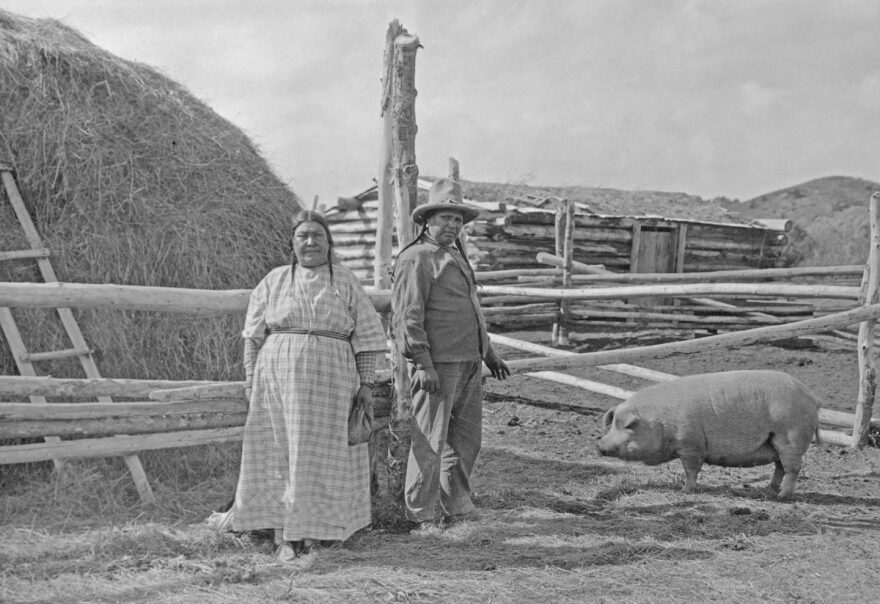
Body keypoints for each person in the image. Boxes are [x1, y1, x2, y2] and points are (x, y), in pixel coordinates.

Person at [232, 209, 387, 561]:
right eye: (303, 236)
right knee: (278, 452)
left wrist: (365, 383)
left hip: (332, 384)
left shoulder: (345, 281)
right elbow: (253, 337)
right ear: (292, 243)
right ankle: (282, 535)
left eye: (318, 235)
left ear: (329, 243)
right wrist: (250, 380)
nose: (310, 241)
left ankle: (317, 533)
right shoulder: (273, 281)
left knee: (322, 455)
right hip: (278, 382)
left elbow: (365, 336)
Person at [391, 178, 510, 530]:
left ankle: (457, 503)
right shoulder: (416, 259)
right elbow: (407, 317)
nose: (452, 226)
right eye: (445, 218)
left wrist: (488, 353)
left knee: (466, 440)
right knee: (429, 440)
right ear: (427, 221)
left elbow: (471, 310)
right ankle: (421, 513)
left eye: (458, 220)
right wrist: (422, 364)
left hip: (469, 363)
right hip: (437, 366)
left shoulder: (455, 256)